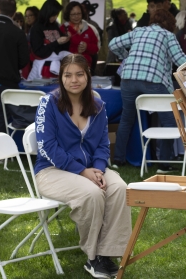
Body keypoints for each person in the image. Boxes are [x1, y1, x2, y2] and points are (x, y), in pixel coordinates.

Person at [34, 54, 132, 279]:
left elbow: (102, 144)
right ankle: (93, 256)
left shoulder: (98, 105)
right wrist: (82, 171)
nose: (73, 80)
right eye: (68, 75)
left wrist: (97, 168)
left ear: (88, 76)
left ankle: (108, 254)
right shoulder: (47, 103)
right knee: (91, 193)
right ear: (61, 78)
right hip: (52, 171)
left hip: (91, 168)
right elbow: (47, 146)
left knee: (119, 189)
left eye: (79, 74)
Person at [108, 9, 186, 172]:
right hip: (153, 80)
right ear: (170, 24)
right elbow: (180, 60)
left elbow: (113, 44)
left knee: (126, 119)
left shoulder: (138, 31)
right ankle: (164, 163)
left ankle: (118, 160)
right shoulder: (168, 35)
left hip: (128, 78)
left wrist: (126, 57)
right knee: (169, 121)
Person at [0, 0, 29, 135]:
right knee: (1, 117)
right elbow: (24, 59)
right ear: (13, 13)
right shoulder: (17, 32)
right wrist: (11, 65)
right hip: (6, 82)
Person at [28, 0, 70, 80]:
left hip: (57, 65)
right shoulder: (37, 28)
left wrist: (66, 39)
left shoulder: (55, 26)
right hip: (44, 67)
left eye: (57, 15)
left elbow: (63, 48)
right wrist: (56, 42)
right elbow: (39, 51)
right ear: (47, 13)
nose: (55, 17)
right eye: (53, 15)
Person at [60, 1, 99, 69]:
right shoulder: (63, 28)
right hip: (68, 65)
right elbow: (59, 50)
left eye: (79, 14)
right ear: (68, 15)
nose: (76, 17)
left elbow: (96, 48)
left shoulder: (89, 29)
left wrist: (87, 46)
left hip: (86, 66)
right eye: (73, 14)